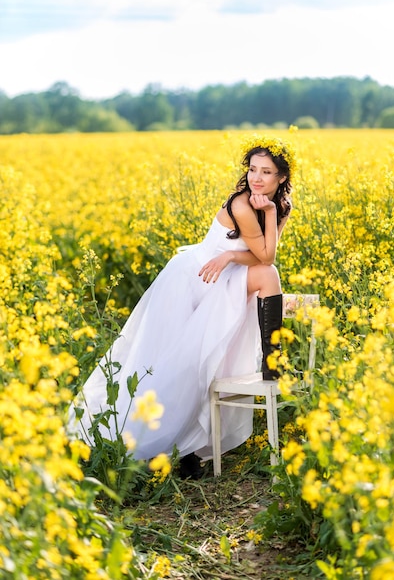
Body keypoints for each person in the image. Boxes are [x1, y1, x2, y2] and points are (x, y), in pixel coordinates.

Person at [72, 134, 295, 479]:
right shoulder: (241, 204)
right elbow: (265, 255)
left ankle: (269, 368)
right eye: (252, 169)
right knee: (179, 367)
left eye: (266, 172)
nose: (256, 178)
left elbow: (265, 253)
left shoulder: (271, 205)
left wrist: (268, 220)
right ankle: (157, 443)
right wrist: (237, 248)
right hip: (197, 279)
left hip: (224, 274)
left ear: (281, 178)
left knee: (214, 350)